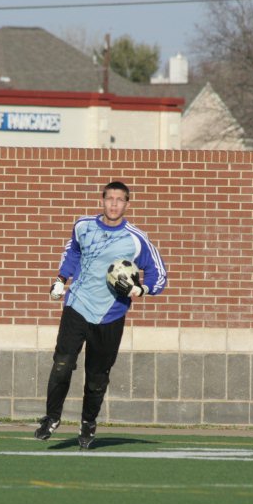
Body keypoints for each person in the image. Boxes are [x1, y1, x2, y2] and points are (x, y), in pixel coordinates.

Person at [36, 181, 167, 449]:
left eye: (120, 200)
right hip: (77, 306)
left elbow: (159, 274)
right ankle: (51, 417)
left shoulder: (136, 239)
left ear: (127, 204)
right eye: (110, 198)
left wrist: (142, 289)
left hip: (111, 315)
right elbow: (72, 252)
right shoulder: (83, 226)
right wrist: (61, 279)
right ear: (102, 200)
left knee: (97, 377)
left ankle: (88, 423)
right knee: (62, 364)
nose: (114, 204)